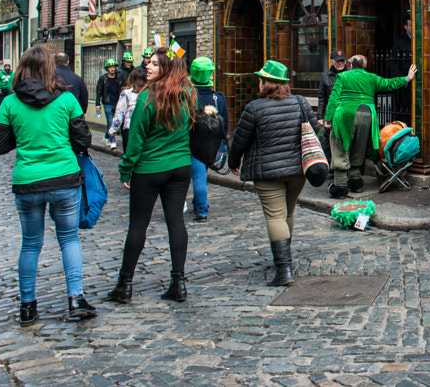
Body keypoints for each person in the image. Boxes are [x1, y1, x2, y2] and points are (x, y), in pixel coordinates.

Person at [0, 45, 94, 326]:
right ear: (51, 68)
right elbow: (83, 141)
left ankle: (27, 305)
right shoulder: (67, 100)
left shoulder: (10, 103)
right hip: (64, 178)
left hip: (28, 181)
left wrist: (23, 139)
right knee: (69, 238)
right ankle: (75, 298)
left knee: (31, 244)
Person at [108, 48, 196, 305]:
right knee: (176, 222)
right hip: (180, 166)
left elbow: (135, 139)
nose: (148, 67)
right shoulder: (188, 92)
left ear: (166, 68)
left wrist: (126, 169)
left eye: (155, 64)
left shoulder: (147, 97)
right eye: (149, 63)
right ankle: (178, 283)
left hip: (149, 169)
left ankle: (124, 285)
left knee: (138, 225)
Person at [229, 60, 321, 286]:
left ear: (266, 83)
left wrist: (233, 161)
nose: (258, 83)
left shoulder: (254, 108)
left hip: (267, 172)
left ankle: (283, 270)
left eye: (260, 80)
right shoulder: (300, 102)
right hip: (297, 170)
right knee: (288, 213)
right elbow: (315, 131)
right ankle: (285, 259)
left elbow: (240, 140)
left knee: (275, 216)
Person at [324, 54, 416, 198]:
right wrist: (408, 78)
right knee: (359, 148)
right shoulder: (371, 78)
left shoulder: (342, 77)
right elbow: (389, 83)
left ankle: (340, 186)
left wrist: (328, 119)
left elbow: (334, 98)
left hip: (345, 114)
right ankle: (355, 181)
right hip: (367, 115)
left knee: (339, 147)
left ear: (352, 66)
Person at [187, 57, 229, 223]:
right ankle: (197, 203)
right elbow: (224, 122)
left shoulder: (189, 97)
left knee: (198, 178)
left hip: (193, 144)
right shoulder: (218, 98)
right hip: (212, 144)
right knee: (201, 175)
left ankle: (202, 210)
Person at [108, 67, 147, 152]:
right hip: (145, 129)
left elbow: (120, 113)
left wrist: (113, 130)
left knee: (129, 154)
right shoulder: (149, 93)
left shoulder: (126, 93)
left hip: (129, 128)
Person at [95, 59, 123, 135]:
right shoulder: (103, 78)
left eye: (113, 67)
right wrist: (97, 104)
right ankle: (112, 140)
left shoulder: (118, 77)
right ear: (107, 68)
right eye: (110, 67)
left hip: (117, 102)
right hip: (108, 103)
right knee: (110, 122)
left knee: (116, 122)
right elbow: (99, 91)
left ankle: (107, 137)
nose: (112, 69)